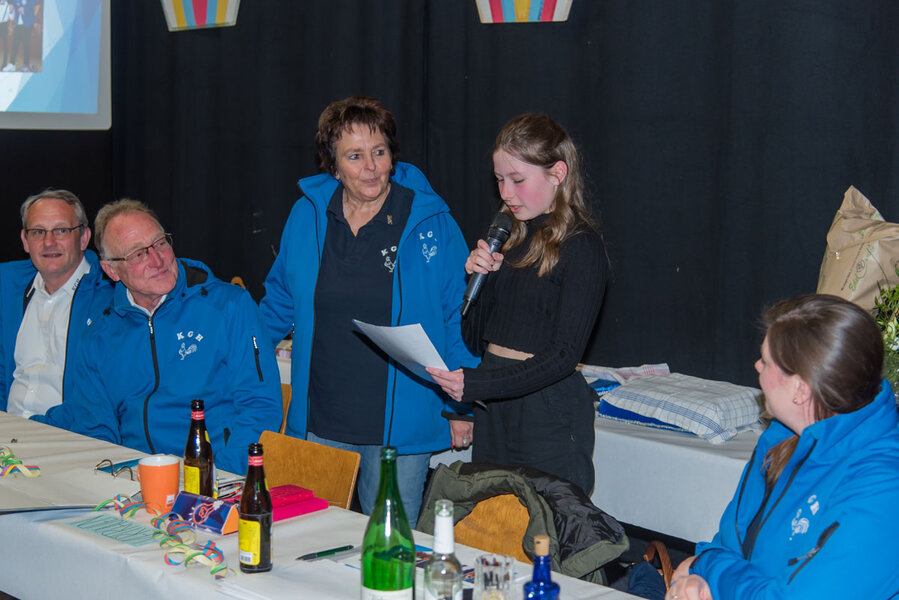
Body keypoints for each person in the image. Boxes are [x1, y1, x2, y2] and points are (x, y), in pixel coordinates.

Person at [259, 96, 476, 521]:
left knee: (389, 542)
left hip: (400, 422)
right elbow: (278, 302)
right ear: (333, 165)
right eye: (354, 156)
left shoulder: (430, 221)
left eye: (379, 152)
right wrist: (237, 363)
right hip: (321, 416)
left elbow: (458, 315)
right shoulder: (307, 215)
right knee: (313, 537)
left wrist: (462, 405)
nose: (371, 167)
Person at [665, 294, 899, 600]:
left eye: (765, 361)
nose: (756, 365)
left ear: (799, 388)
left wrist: (709, 565)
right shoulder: (780, 438)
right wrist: (702, 581)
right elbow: (731, 544)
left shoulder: (884, 488)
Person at [428, 113, 608, 497]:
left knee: (544, 524)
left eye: (517, 180)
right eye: (499, 180)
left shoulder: (582, 246)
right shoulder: (509, 238)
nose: (505, 193)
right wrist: (479, 280)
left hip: (547, 412)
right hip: (496, 406)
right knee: (490, 522)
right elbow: (474, 338)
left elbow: (563, 357)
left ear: (557, 173)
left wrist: (480, 383)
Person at [37, 199, 282, 475]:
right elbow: (95, 428)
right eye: (138, 254)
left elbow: (260, 407)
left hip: (214, 475)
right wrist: (112, 478)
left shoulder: (229, 306)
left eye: (160, 243)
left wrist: (215, 476)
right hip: (132, 479)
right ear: (111, 270)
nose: (157, 260)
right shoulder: (100, 335)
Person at [0, 189, 112, 417]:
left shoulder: (110, 296)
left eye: (61, 230)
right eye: (38, 232)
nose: (49, 242)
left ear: (84, 238)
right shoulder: (7, 286)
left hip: (69, 431)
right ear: (25, 241)